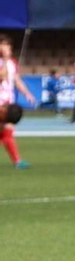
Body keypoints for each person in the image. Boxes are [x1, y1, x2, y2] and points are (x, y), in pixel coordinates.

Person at [0, 35, 37, 168]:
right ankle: (17, 161)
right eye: (3, 44)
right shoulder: (4, 62)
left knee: (6, 130)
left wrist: (27, 93)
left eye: (8, 45)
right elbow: (1, 76)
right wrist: (4, 59)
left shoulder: (12, 63)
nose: (6, 47)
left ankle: (17, 161)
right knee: (6, 130)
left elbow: (16, 79)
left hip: (8, 102)